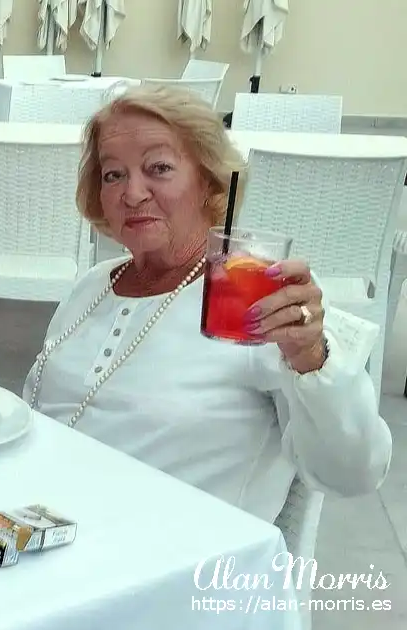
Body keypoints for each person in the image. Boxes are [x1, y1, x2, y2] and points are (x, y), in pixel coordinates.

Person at [22, 85, 392, 523]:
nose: (132, 193)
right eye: (113, 174)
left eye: (158, 168)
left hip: (171, 566)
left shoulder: (258, 304)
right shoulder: (94, 286)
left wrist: (312, 357)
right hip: (43, 524)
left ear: (208, 182)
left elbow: (353, 473)